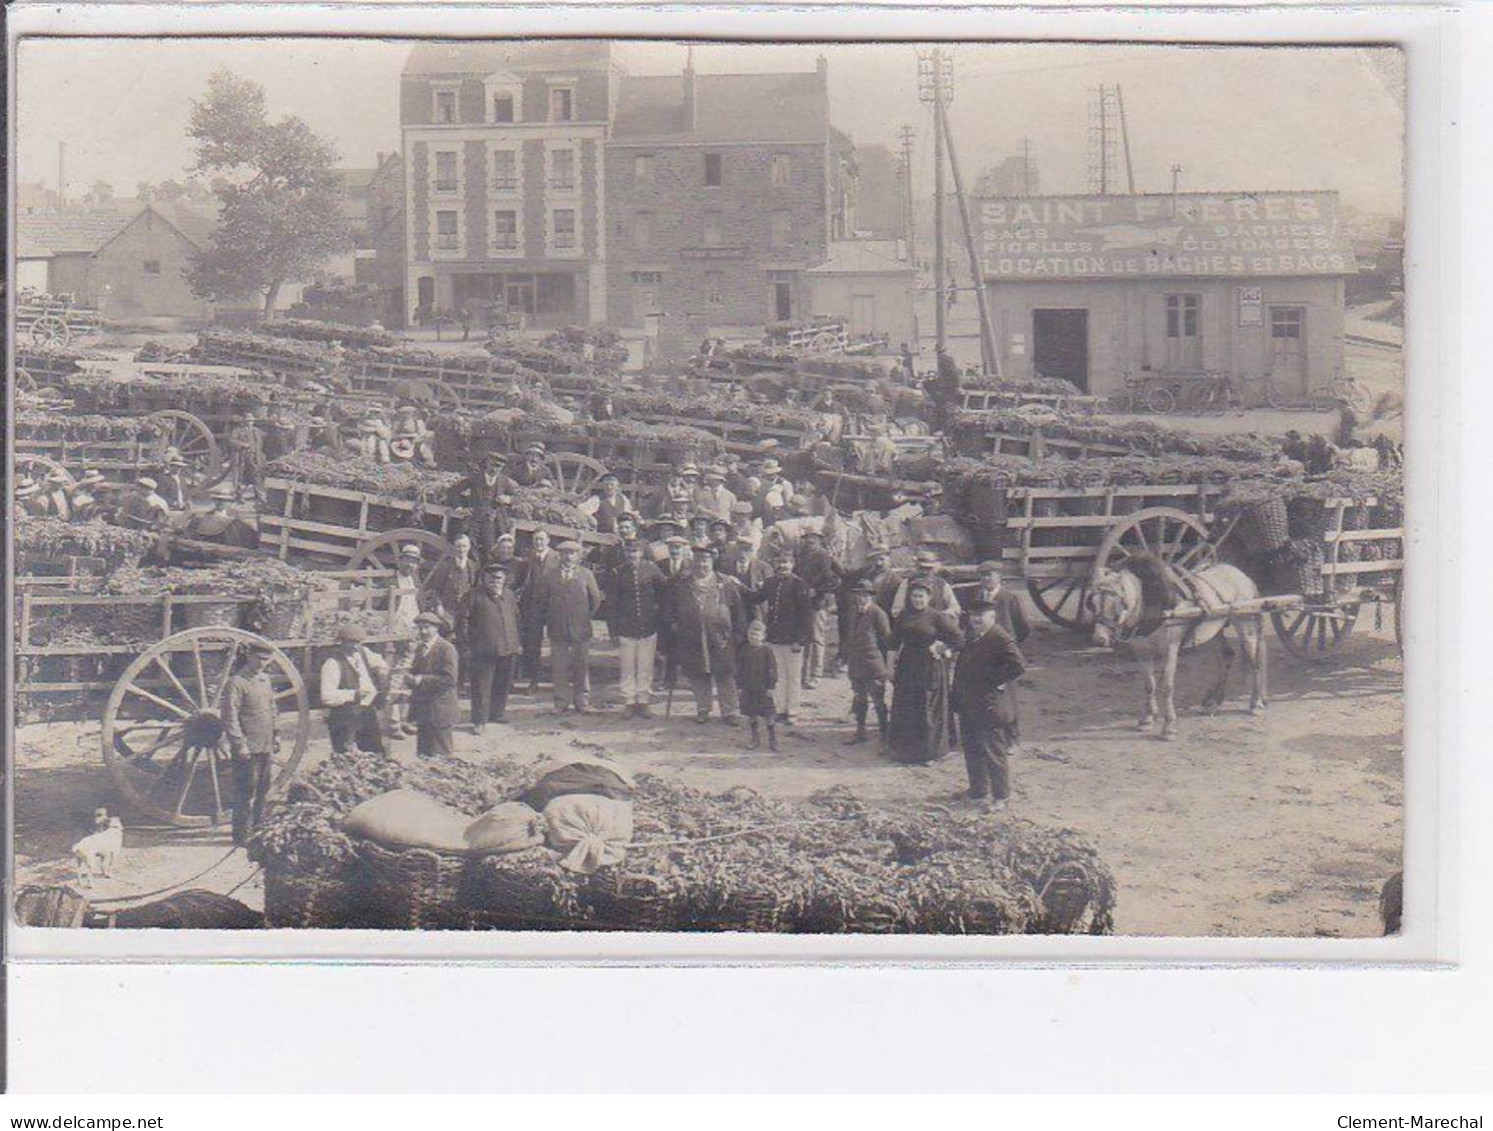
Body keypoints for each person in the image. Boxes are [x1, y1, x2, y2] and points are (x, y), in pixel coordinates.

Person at [951, 597, 1026, 810]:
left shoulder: (999, 637)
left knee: (993, 752)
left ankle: (1002, 796)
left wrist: (992, 681)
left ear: (992, 617)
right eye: (973, 615)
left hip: (988, 706)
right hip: (969, 704)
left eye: (980, 616)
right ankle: (978, 791)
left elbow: (1018, 666)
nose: (975, 619)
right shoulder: (974, 636)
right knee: (973, 749)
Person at [887, 578, 963, 765]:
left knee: (928, 709)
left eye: (921, 596)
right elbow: (893, 642)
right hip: (907, 667)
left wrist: (941, 648)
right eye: (914, 596)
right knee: (907, 708)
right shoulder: (903, 616)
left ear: (928, 598)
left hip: (930, 668)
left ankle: (930, 753)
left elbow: (959, 639)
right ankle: (906, 752)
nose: (917, 600)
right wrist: (890, 667)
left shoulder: (936, 616)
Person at [670, 546, 746, 725]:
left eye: (705, 561)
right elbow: (670, 608)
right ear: (692, 562)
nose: (701, 565)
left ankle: (730, 711)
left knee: (725, 673)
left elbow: (738, 611)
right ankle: (703, 708)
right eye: (698, 560)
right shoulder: (682, 584)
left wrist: (738, 634)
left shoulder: (725, 583)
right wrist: (674, 625)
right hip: (692, 636)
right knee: (698, 673)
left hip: (721, 637)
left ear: (712, 562)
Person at [219, 643, 277, 846]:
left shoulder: (264, 680)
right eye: (259, 658)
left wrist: (274, 736)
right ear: (250, 657)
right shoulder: (236, 682)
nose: (262, 663)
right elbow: (230, 716)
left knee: (263, 787)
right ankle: (241, 835)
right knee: (245, 790)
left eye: (266, 659)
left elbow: (271, 708)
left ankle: (258, 828)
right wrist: (239, 743)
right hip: (247, 746)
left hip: (265, 743)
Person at [747, 552, 814, 726]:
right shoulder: (771, 583)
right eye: (779, 562)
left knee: (793, 677)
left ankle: (793, 711)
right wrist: (738, 585)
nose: (782, 565)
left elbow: (806, 615)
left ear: (792, 564)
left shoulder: (800, 585)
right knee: (778, 675)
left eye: (786, 562)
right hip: (775, 637)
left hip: (793, 639)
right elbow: (755, 598)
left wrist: (800, 640)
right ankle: (781, 709)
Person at [536, 539, 602, 714]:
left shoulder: (586, 574)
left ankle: (582, 701)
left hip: (580, 628)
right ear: (559, 555)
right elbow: (543, 601)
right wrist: (550, 619)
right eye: (565, 553)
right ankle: (561, 701)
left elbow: (595, 600)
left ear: (578, 556)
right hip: (557, 628)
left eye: (572, 553)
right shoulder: (550, 574)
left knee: (581, 665)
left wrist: (584, 617)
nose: (568, 557)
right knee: (559, 666)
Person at [605, 536, 665, 717]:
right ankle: (629, 701)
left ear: (641, 552)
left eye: (635, 551)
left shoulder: (652, 568)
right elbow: (611, 605)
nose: (632, 555)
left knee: (645, 665)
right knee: (627, 666)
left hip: (648, 626)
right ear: (624, 553)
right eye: (628, 551)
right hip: (626, 627)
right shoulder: (617, 572)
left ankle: (643, 700)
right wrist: (613, 631)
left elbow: (665, 590)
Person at [466, 563, 522, 731]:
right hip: (484, 649)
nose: (494, 581)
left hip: (508, 646)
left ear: (504, 579)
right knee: (481, 686)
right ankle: (479, 720)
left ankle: (497, 713)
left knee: (502, 683)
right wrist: (469, 644)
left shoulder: (509, 595)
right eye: (490, 578)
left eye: (498, 578)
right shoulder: (474, 595)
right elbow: (463, 621)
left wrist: (517, 642)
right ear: (484, 579)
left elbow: (517, 619)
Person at [320, 625, 389, 755]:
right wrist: (354, 695)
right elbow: (327, 696)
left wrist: (382, 674)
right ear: (342, 642)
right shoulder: (332, 663)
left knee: (375, 754)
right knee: (348, 757)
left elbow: (381, 663)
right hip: (345, 717)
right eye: (351, 642)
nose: (355, 646)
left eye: (358, 642)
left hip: (367, 714)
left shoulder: (363, 653)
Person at [843, 580, 893, 748]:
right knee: (859, 699)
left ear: (871, 596)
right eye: (858, 594)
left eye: (865, 594)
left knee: (878, 701)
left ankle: (885, 736)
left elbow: (886, 641)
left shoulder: (878, 614)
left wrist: (886, 666)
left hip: (873, 664)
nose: (861, 598)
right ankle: (860, 731)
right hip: (856, 663)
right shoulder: (852, 612)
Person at [403, 611, 460, 758]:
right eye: (419, 628)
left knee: (442, 753)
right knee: (424, 753)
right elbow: (416, 671)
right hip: (423, 709)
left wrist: (421, 679)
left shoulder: (446, 649)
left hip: (440, 708)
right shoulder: (420, 649)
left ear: (436, 628)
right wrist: (410, 678)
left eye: (426, 627)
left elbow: (449, 679)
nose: (423, 632)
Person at [425, 533, 479, 680]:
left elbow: (475, 589)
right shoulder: (445, 567)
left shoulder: (472, 567)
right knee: (445, 646)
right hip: (447, 613)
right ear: (454, 548)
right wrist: (439, 606)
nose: (461, 549)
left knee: (463, 647)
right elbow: (435, 590)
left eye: (464, 546)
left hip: (464, 614)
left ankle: (460, 681)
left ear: (468, 548)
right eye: (458, 546)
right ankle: (443, 678)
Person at [386, 543, 426, 736]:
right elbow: (380, 608)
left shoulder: (415, 581)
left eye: (414, 562)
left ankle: (405, 720)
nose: (411, 565)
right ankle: (393, 724)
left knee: (408, 680)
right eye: (408, 560)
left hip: (413, 635)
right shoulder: (390, 581)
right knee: (395, 678)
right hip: (395, 636)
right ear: (400, 560)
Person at [449, 454, 519, 561]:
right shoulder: (475, 478)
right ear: (487, 463)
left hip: (492, 521)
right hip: (474, 520)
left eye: (499, 467)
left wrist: (508, 499)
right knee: (471, 548)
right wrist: (460, 509)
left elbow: (517, 498)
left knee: (490, 549)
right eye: (493, 465)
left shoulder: (504, 481)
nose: (495, 469)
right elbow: (453, 491)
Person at [795, 528, 841, 688]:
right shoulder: (801, 556)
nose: (810, 541)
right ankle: (804, 675)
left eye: (813, 538)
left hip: (818, 603)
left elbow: (834, 580)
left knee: (816, 638)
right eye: (807, 538)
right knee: (804, 639)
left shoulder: (823, 556)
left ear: (820, 540)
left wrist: (817, 590)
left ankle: (816, 675)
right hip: (801, 603)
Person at [516, 528, 558, 690]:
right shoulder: (529, 558)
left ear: (548, 540)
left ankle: (558, 680)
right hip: (533, 607)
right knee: (532, 644)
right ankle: (533, 680)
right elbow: (522, 580)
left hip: (552, 607)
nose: (539, 543)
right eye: (536, 540)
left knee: (558, 642)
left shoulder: (557, 558)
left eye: (541, 539)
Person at [736, 618, 779, 752]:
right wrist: (740, 686)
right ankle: (755, 738)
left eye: (756, 634)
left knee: (768, 714)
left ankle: (773, 739)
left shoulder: (767, 651)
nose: (753, 637)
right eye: (750, 634)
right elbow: (739, 669)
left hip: (763, 688)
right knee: (751, 713)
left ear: (763, 636)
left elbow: (772, 670)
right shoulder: (744, 650)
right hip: (749, 687)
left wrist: (771, 687)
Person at [965, 561, 1031, 646]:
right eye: (982, 575)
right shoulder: (973, 596)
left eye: (989, 575)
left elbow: (1023, 626)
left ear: (999, 576)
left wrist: (1011, 641)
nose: (985, 578)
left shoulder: (1010, 598)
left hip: (1002, 644)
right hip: (979, 645)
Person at [890, 548, 962, 616]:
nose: (925, 572)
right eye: (921, 568)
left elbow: (955, 607)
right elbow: (896, 609)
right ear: (916, 567)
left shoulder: (942, 584)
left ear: (933, 569)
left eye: (928, 569)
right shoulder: (906, 583)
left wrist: (942, 614)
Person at [186, 483, 258, 548]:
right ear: (213, 500)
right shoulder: (200, 518)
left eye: (224, 500)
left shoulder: (236, 523)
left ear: (230, 502)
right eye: (218, 500)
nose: (220, 502)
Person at [756, 458, 795, 525]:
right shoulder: (760, 481)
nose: (769, 476)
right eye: (767, 474)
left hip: (778, 513)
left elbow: (789, 502)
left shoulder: (784, 484)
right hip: (762, 511)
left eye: (771, 474)